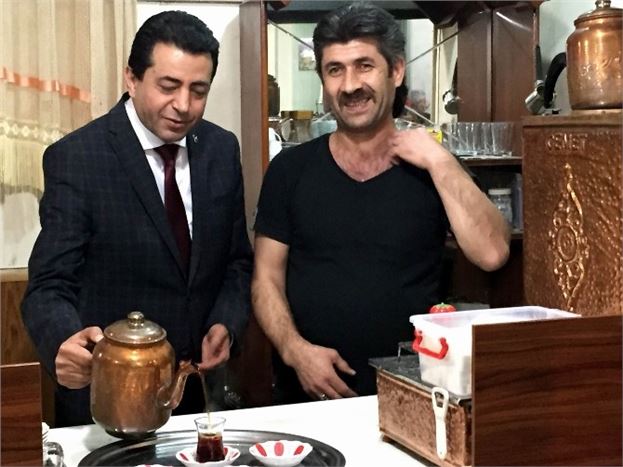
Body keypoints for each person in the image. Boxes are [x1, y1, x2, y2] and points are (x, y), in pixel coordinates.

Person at [251, 2, 510, 404]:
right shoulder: (290, 170)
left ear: (397, 70)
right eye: (335, 70)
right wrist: (294, 351)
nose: (350, 85)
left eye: (365, 66)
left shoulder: (433, 167)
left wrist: (441, 161)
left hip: (415, 389)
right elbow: (265, 278)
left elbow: (492, 253)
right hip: (308, 395)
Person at [21, 10, 253, 427]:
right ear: (131, 78)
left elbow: (236, 261)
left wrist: (227, 322)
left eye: (198, 90)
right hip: (112, 399)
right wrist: (62, 342)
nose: (183, 105)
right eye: (168, 86)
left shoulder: (220, 150)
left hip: (200, 396)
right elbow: (48, 285)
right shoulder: (78, 158)